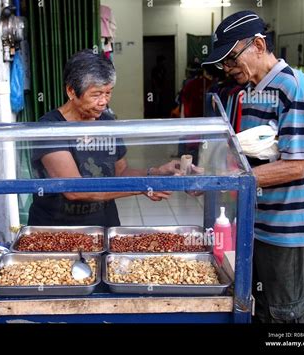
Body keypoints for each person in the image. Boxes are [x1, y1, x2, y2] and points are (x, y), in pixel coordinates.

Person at [202, 11, 304, 323]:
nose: (228, 68)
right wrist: (206, 174)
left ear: (258, 44)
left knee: (284, 313)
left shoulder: (292, 87)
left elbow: (295, 167)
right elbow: (247, 158)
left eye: (232, 58)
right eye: (223, 63)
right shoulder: (247, 92)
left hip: (289, 228)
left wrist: (230, 181)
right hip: (259, 222)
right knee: (258, 305)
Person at [29, 49, 188, 227]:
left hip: (103, 226)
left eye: (108, 93)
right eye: (96, 94)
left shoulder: (107, 122)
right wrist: (143, 186)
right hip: (58, 232)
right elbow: (74, 189)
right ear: (71, 91)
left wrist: (154, 173)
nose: (104, 102)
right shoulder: (51, 127)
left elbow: (120, 173)